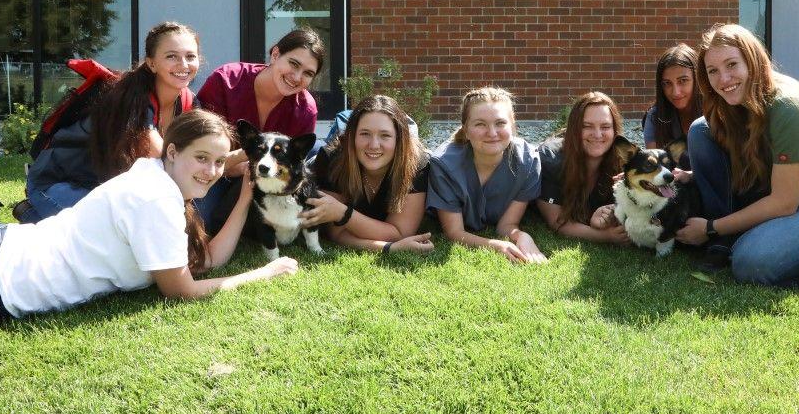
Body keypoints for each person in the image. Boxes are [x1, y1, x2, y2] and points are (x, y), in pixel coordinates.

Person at [0, 110, 298, 334]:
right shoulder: (156, 199)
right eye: (201, 159)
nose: (212, 171)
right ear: (174, 151)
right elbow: (183, 290)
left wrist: (246, 195)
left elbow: (207, 259)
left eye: (218, 161)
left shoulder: (155, 175)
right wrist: (264, 274)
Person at [676, 23, 799, 286]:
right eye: (713, 71)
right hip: (777, 190)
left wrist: (711, 226)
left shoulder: (791, 108)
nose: (723, 80)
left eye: (732, 65)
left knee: (750, 263)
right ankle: (727, 241)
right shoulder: (739, 99)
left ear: (752, 61)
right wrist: (697, 175)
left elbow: (784, 202)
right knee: (701, 130)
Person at [21, 21, 201, 222]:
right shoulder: (131, 97)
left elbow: (204, 151)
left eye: (190, 56)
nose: (183, 65)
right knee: (126, 227)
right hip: (58, 184)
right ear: (151, 63)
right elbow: (164, 157)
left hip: (104, 187)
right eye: (171, 56)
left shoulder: (188, 101)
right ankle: (32, 212)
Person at [196, 27, 325, 231]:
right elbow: (198, 154)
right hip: (214, 174)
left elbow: (290, 172)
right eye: (293, 63)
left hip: (266, 183)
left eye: (308, 73)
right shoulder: (225, 81)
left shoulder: (305, 110)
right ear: (275, 54)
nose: (297, 77)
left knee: (318, 150)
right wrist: (240, 162)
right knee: (200, 223)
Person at [297, 95, 435, 254]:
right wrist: (388, 248)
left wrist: (343, 213)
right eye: (365, 134)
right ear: (352, 136)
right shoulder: (332, 160)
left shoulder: (416, 164)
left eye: (385, 135)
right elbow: (337, 233)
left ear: (399, 139)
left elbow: (399, 233)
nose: (374, 145)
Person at [427, 87, 546, 264]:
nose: (492, 133)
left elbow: (506, 226)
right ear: (466, 130)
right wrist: (496, 246)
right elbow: (454, 232)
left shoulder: (528, 161)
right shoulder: (444, 165)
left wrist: (522, 236)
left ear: (512, 125)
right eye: (480, 124)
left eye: (500, 123)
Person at [535, 92, 631, 244]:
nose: (597, 134)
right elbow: (556, 221)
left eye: (605, 126)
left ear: (615, 131)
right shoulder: (550, 158)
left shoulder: (623, 160)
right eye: (587, 126)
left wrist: (608, 215)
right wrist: (606, 237)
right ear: (574, 129)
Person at [644, 44, 704, 151]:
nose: (675, 92)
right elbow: (654, 165)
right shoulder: (655, 116)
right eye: (667, 83)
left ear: (697, 78)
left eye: (683, 81)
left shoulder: (715, 113)